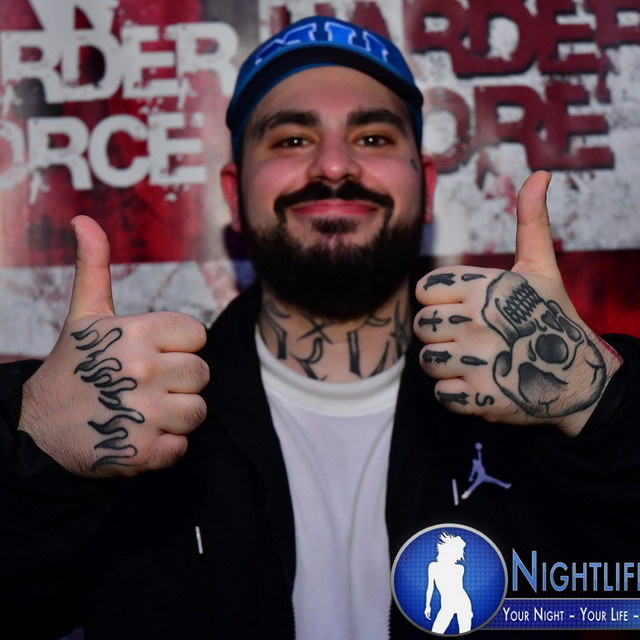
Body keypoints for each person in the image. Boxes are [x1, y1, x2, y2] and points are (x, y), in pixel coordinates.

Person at [1, 15, 639, 640]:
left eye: (373, 138)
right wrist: (35, 460)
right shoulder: (129, 418)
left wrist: (599, 405)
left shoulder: (534, 409)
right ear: (234, 192)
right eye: (291, 140)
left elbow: (621, 597)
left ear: (426, 183)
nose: (334, 166)